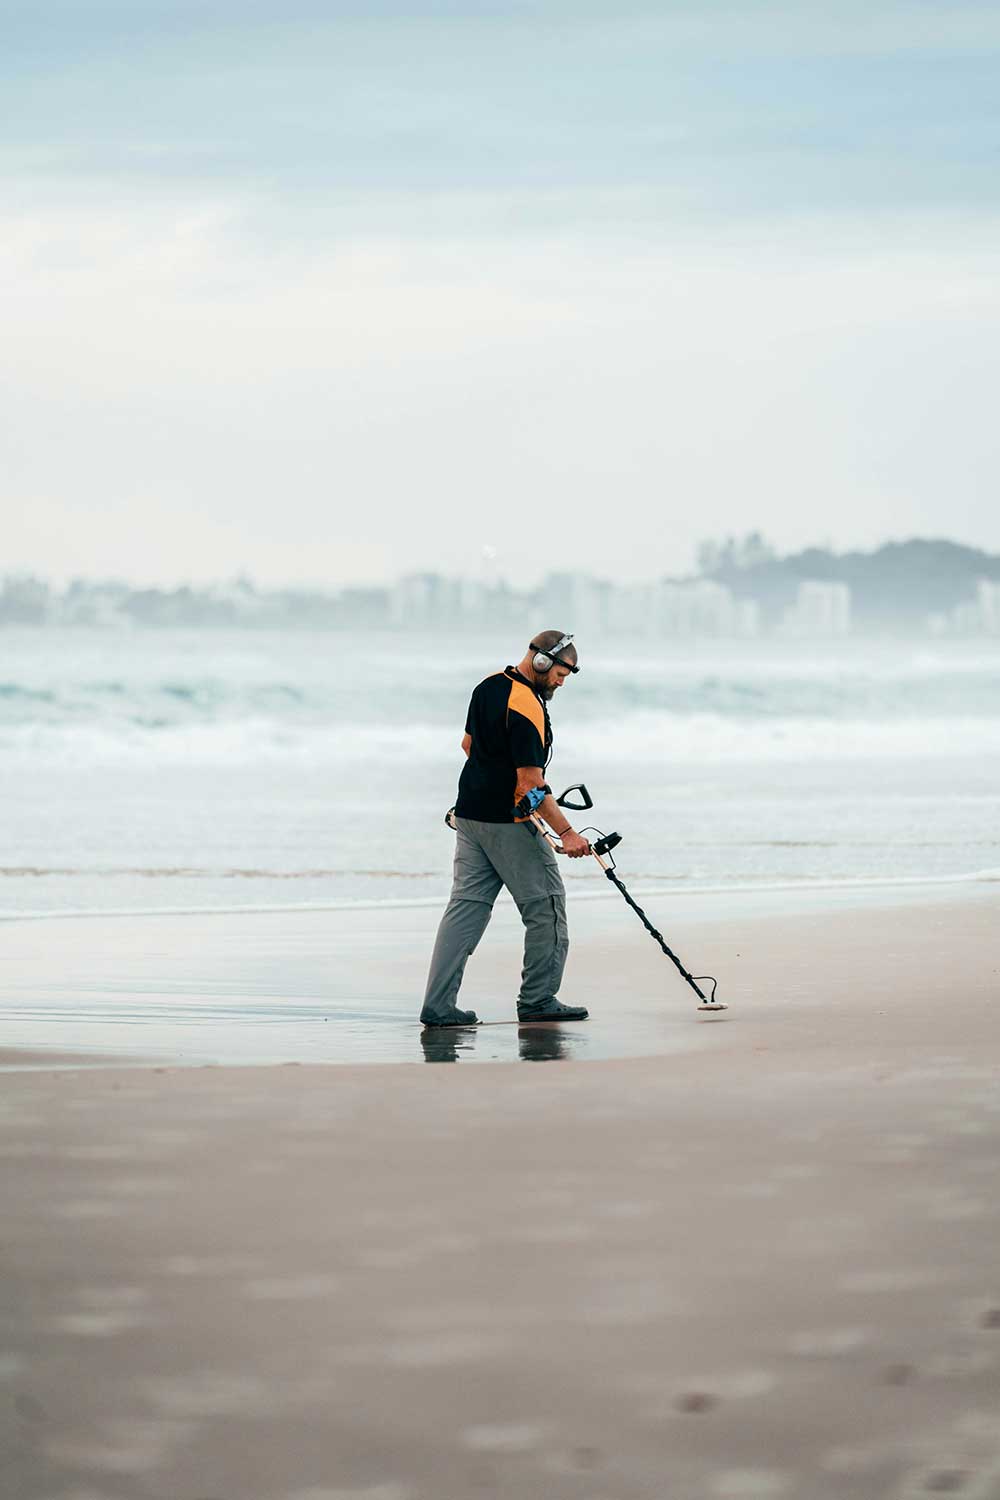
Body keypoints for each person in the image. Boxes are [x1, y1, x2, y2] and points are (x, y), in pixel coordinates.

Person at [420, 630, 592, 1028]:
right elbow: (530, 785)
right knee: (546, 906)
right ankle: (538, 999)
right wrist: (567, 832)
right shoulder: (528, 703)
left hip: (468, 815)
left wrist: (494, 775)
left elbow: (469, 746)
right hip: (508, 822)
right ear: (543, 661)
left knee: (465, 910)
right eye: (561, 674)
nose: (561, 682)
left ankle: (438, 1006)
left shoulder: (488, 686)